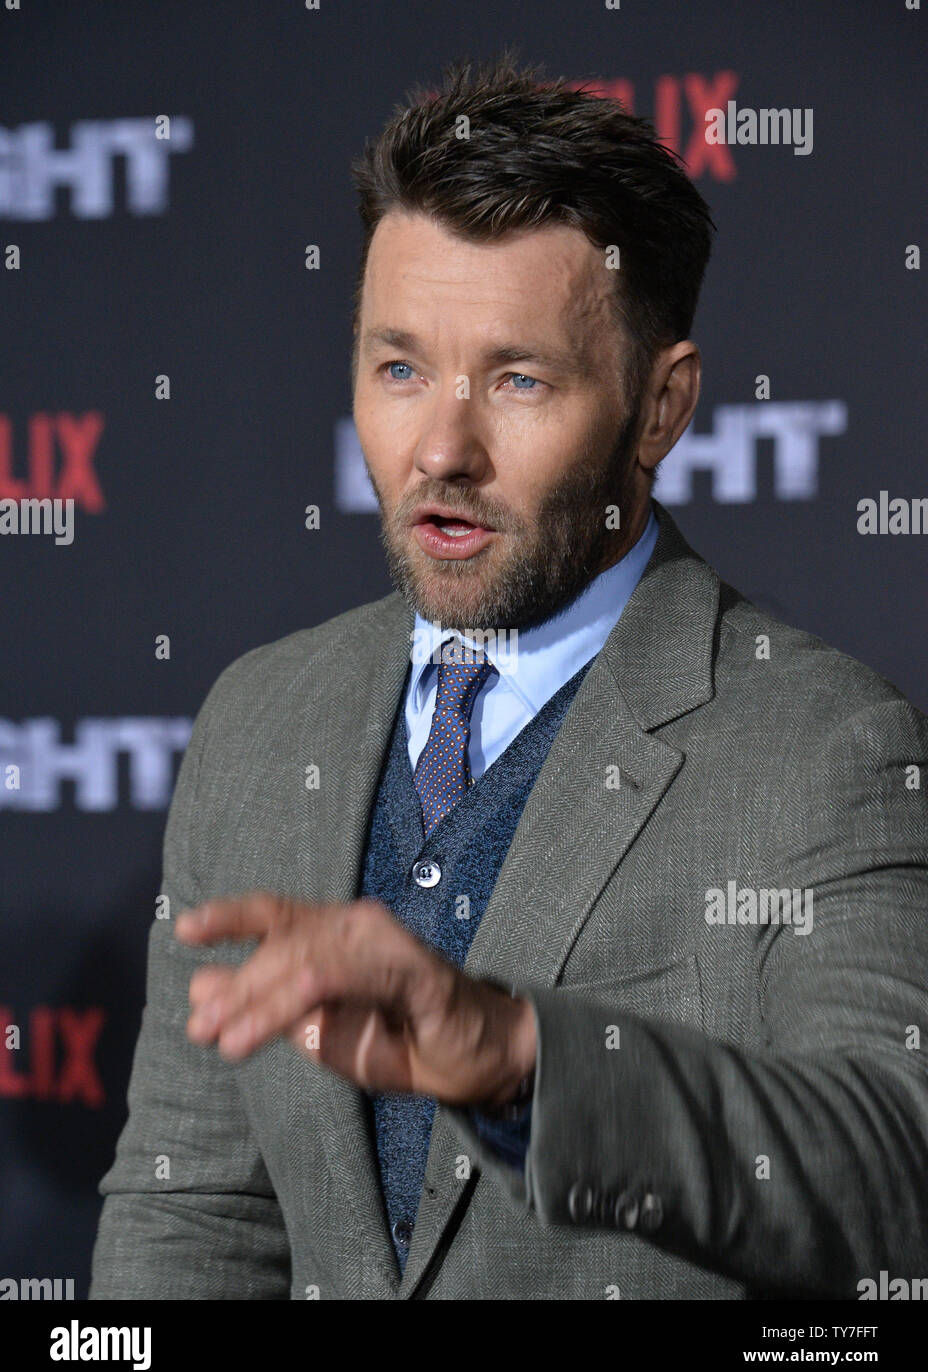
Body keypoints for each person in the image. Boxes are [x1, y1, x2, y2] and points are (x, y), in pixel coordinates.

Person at [90, 55, 928, 1301]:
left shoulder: (823, 743)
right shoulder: (259, 723)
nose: (440, 448)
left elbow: (889, 1180)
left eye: (518, 378)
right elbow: (192, 1222)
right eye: (399, 368)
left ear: (660, 408)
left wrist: (515, 1053)